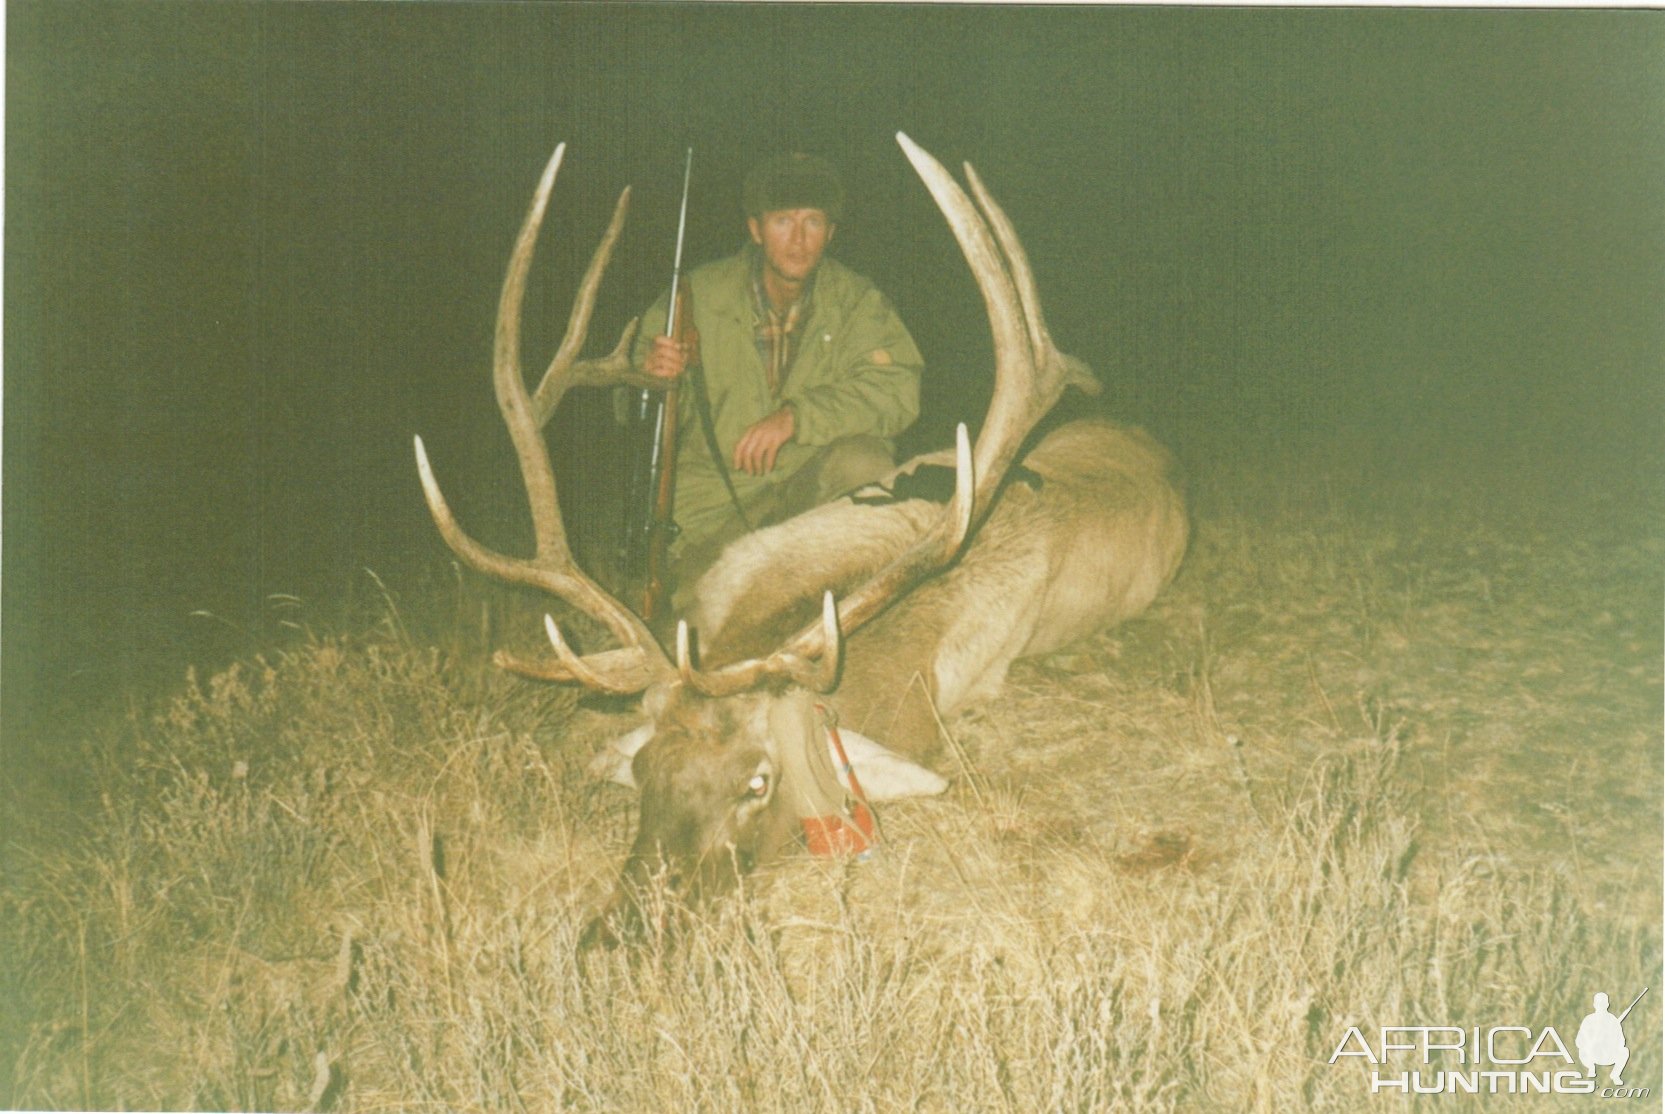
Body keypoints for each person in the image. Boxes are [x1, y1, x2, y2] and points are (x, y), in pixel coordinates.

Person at [630, 152, 923, 606]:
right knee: (695, 617)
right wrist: (652, 377)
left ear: (831, 232)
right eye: (783, 221)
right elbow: (631, 410)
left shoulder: (858, 302)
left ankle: (842, 601)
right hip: (713, 515)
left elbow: (898, 390)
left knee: (865, 464)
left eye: (813, 222)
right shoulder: (695, 298)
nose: (799, 240)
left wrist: (797, 418)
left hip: (810, 500)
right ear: (755, 229)